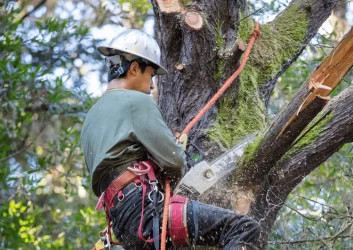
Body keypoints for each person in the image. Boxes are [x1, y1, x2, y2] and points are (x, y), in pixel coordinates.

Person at [81, 29, 261, 250]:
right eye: (151, 75)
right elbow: (174, 160)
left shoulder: (91, 118)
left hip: (123, 225)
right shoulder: (136, 101)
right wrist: (175, 162)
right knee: (243, 228)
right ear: (135, 68)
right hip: (144, 212)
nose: (153, 86)